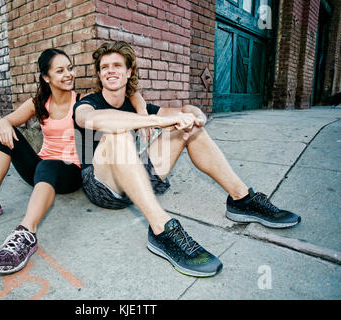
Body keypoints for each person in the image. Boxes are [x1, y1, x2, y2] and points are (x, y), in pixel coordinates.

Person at [73, 41, 301, 277]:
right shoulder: (88, 104)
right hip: (103, 187)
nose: (110, 70)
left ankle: (241, 199)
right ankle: (161, 230)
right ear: (99, 74)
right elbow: (91, 120)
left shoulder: (137, 104)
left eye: (117, 65)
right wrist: (154, 121)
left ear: (129, 71)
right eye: (104, 67)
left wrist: (194, 113)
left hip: (137, 181)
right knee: (116, 134)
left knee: (190, 130)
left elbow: (182, 112)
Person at [0, 48, 150, 275]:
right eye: (60, 70)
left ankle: (26, 232)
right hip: (41, 169)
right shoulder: (38, 102)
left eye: (70, 68)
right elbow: (4, 121)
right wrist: (4, 123)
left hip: (70, 172)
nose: (69, 75)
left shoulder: (83, 101)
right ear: (46, 77)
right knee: (4, 137)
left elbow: (130, 94)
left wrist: (143, 110)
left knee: (47, 165)